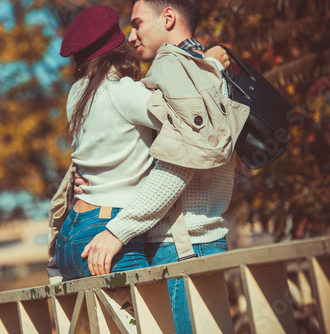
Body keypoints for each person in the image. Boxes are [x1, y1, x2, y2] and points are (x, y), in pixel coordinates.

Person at [72, 0, 250, 332]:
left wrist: (117, 230)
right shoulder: (175, 76)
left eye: (137, 23)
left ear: (168, 17)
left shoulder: (202, 79)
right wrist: (85, 180)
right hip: (160, 243)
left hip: (185, 245)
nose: (131, 35)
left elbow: (180, 166)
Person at [50, 5, 232, 284]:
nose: (133, 38)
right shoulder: (125, 93)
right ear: (118, 48)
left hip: (71, 235)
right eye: (128, 32)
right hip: (103, 229)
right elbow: (191, 119)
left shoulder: (76, 94)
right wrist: (212, 66)